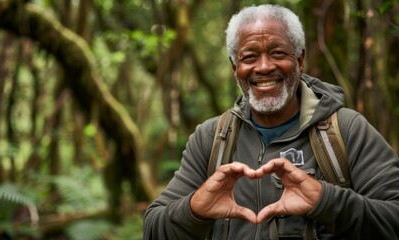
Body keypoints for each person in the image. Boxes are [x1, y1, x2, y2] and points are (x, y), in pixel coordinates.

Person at [143, 4, 399, 240]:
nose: (264, 67)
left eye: (277, 53)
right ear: (235, 67)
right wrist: (195, 209)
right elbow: (153, 228)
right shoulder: (211, 138)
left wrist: (326, 201)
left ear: (299, 60)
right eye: (249, 57)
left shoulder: (346, 129)